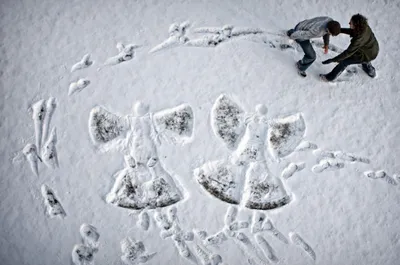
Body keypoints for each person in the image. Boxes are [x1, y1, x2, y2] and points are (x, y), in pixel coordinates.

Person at [320, 14, 379, 81]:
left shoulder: (358, 40)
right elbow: (353, 31)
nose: (349, 23)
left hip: (367, 53)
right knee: (365, 59)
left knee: (344, 61)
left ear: (356, 26)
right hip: (373, 48)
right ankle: (371, 71)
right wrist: (340, 30)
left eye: (351, 23)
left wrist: (333, 59)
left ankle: (329, 78)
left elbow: (347, 53)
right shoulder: (364, 27)